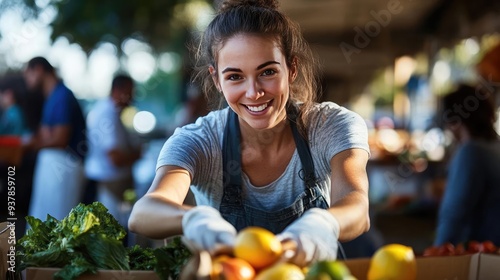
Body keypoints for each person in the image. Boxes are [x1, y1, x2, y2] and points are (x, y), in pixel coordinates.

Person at [129, 0, 370, 265]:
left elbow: (357, 208)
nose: (254, 92)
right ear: (216, 80)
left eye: (267, 72)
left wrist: (323, 224)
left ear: (292, 69)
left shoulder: (330, 126)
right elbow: (143, 213)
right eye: (235, 76)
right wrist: (193, 219)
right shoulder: (198, 140)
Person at [434, 84, 500, 246]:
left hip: (483, 256)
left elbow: (454, 213)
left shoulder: (471, 152)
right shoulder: (495, 148)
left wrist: (437, 253)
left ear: (454, 121)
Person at [23, 57, 87, 221]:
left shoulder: (62, 95)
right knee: (43, 222)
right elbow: (44, 133)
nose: (27, 80)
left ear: (38, 69)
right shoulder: (52, 96)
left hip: (64, 166)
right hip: (54, 165)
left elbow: (60, 138)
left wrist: (32, 144)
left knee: (58, 224)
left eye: (28, 74)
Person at [85, 74, 141, 226]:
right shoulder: (107, 114)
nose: (131, 98)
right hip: (108, 184)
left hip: (110, 183)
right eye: (130, 93)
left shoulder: (110, 111)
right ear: (118, 91)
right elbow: (115, 158)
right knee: (110, 233)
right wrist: (137, 154)